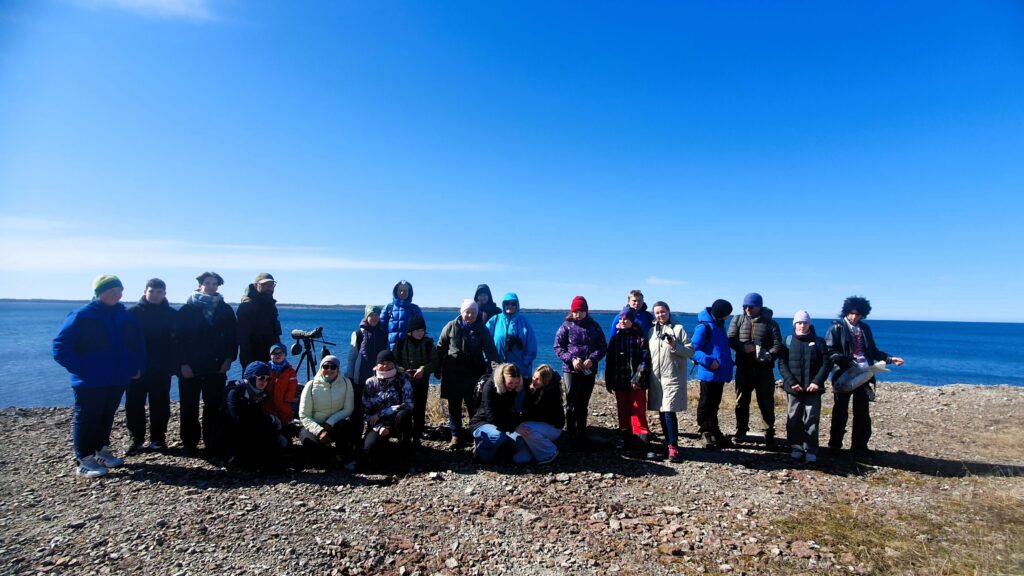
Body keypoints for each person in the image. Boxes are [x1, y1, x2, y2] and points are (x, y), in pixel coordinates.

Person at [53, 275, 146, 478]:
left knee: (106, 415)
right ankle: (84, 460)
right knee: (86, 418)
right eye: (109, 290)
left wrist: (137, 366)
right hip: (90, 381)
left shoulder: (125, 316)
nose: (114, 294)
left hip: (118, 379)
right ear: (98, 293)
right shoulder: (82, 315)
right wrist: (82, 369)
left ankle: (101, 451)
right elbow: (60, 347)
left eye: (117, 290)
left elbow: (138, 344)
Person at [826, 296, 905, 457]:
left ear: (863, 314)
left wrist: (890, 359)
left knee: (862, 411)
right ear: (846, 312)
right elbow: (830, 351)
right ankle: (835, 444)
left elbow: (873, 351)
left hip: (865, 373)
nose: (854, 317)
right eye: (852, 313)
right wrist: (847, 361)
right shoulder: (836, 328)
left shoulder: (865, 329)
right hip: (844, 374)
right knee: (840, 410)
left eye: (858, 314)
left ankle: (860, 446)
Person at [175, 271, 237, 458]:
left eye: (214, 284)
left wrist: (229, 359)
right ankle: (189, 443)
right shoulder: (187, 309)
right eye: (207, 283)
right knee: (189, 406)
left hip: (216, 367)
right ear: (200, 285)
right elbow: (178, 339)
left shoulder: (225, 310)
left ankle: (212, 442)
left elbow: (232, 338)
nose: (211, 286)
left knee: (213, 406)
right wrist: (182, 363)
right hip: (190, 367)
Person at [437, 299, 501, 449]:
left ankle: (475, 435)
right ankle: (456, 436)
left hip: (474, 373)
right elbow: (440, 348)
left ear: (477, 313)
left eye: (473, 312)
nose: (470, 315)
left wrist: (497, 369)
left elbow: (491, 352)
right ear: (462, 312)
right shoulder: (450, 326)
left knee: (474, 406)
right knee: (454, 406)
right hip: (453, 373)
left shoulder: (482, 329)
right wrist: (437, 369)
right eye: (467, 312)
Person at [125, 278, 177, 454]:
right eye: (151, 291)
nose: (155, 295)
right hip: (137, 369)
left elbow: (177, 342)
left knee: (160, 404)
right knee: (134, 404)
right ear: (145, 292)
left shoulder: (171, 314)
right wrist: (130, 365)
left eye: (159, 292)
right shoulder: (132, 313)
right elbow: (125, 343)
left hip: (161, 368)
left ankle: (158, 438)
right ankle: (136, 438)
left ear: (164, 294)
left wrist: (173, 365)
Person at [727, 292, 783, 445]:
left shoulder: (771, 323)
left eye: (751, 307)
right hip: (743, 368)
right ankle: (741, 430)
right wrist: (742, 347)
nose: (747, 309)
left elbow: (778, 345)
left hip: (764, 369)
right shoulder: (737, 319)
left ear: (759, 307)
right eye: (745, 306)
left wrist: (768, 355)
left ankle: (769, 432)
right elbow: (730, 339)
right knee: (741, 401)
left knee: (766, 402)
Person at [553, 296, 608, 448]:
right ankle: (570, 434)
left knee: (583, 403)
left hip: (589, 370)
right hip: (571, 370)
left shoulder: (594, 326)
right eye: (575, 311)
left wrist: (592, 359)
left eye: (581, 311)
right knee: (571, 402)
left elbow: (602, 346)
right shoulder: (566, 326)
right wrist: (572, 359)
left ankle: (582, 434)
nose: (577, 314)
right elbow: (558, 347)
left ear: (586, 311)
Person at [778, 311, 832, 464]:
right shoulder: (787, 341)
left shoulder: (819, 342)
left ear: (809, 324)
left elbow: (826, 364)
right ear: (795, 324)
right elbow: (782, 363)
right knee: (793, 419)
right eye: (799, 323)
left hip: (813, 389)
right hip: (794, 389)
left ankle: (811, 449)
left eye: (805, 323)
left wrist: (816, 382)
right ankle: (796, 448)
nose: (802, 326)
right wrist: (791, 382)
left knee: (812, 419)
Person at [647, 301, 694, 463]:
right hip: (656, 378)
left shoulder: (678, 329)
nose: (660, 315)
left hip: (673, 377)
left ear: (668, 312)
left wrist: (675, 345)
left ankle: (673, 446)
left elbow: (690, 351)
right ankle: (668, 443)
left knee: (668, 411)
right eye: (657, 312)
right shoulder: (651, 331)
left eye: (663, 311)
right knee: (661, 410)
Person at [605, 307, 652, 456]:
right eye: (621, 319)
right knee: (623, 411)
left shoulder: (640, 337)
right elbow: (610, 361)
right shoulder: (615, 339)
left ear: (632, 320)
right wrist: (608, 380)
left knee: (638, 411)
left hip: (637, 382)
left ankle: (641, 443)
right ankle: (627, 441)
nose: (623, 321)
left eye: (626, 319)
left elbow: (645, 360)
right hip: (620, 381)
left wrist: (637, 377)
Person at [222, 362, 286, 471]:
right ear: (251, 378)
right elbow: (240, 421)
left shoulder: (259, 394)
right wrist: (270, 419)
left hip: (248, 430)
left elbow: (257, 418)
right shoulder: (235, 393)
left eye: (268, 379)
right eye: (261, 378)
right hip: (231, 437)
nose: (264, 382)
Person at [298, 355, 357, 469]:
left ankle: (342, 455)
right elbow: (304, 415)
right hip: (315, 425)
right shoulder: (311, 385)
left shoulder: (346, 383)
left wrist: (330, 422)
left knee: (348, 430)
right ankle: (327, 456)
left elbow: (348, 409)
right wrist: (319, 431)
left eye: (333, 367)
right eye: (325, 366)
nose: (329, 370)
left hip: (335, 424)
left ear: (338, 369)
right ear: (321, 368)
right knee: (312, 447)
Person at [693, 299, 735, 450]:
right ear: (719, 313)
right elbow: (693, 350)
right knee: (706, 403)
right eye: (726, 314)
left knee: (714, 404)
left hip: (720, 373)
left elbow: (721, 349)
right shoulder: (704, 327)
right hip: (709, 373)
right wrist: (709, 361)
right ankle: (705, 432)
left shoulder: (720, 325)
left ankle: (714, 431)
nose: (727, 317)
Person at [469, 363, 532, 465]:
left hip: (504, 423)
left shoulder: (517, 382)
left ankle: (499, 453)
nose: (513, 386)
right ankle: (480, 455)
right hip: (483, 422)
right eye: (510, 383)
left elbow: (534, 379)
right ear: (502, 378)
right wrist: (514, 427)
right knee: (497, 436)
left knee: (521, 446)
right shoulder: (490, 386)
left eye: (516, 383)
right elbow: (491, 417)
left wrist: (551, 376)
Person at [361, 350, 415, 468]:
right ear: (376, 365)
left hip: (397, 422)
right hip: (378, 424)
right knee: (369, 448)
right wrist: (379, 427)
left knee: (404, 415)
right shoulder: (370, 383)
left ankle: (405, 451)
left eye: (389, 363)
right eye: (382, 363)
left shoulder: (403, 379)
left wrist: (381, 413)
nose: (385, 366)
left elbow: (409, 404)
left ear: (394, 364)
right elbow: (365, 411)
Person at [394, 315, 438, 444]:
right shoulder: (401, 343)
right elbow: (394, 362)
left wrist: (423, 370)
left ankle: (417, 438)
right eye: (417, 330)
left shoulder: (428, 344)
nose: (420, 333)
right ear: (410, 331)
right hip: (404, 383)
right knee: (405, 409)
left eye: (422, 330)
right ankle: (405, 437)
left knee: (419, 409)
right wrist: (403, 371)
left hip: (421, 383)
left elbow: (435, 362)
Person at [346, 304, 389, 420]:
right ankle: (356, 431)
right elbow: (352, 357)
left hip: (378, 378)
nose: (374, 318)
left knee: (375, 407)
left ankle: (372, 429)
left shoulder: (384, 334)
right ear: (366, 316)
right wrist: (350, 376)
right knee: (358, 408)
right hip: (360, 377)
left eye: (377, 315)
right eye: (371, 315)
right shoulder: (358, 334)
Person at [515, 364, 565, 465]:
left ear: (545, 381)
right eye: (534, 377)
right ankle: (537, 447)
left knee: (525, 428)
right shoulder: (534, 383)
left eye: (538, 379)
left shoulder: (551, 393)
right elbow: (521, 379)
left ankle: (549, 452)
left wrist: (517, 422)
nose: (534, 380)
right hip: (538, 424)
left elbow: (536, 414)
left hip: (552, 427)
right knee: (519, 459)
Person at [485, 292, 538, 379]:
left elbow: (531, 348)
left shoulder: (524, 322)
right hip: (498, 369)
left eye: (513, 303)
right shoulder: (495, 320)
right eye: (507, 303)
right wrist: (488, 360)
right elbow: (485, 341)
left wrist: (524, 363)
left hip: (519, 371)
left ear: (517, 305)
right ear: (503, 305)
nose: (510, 306)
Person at [236, 272, 281, 370]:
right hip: (252, 358)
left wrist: (278, 352)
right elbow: (243, 337)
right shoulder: (247, 306)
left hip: (270, 356)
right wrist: (247, 361)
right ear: (256, 285)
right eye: (265, 284)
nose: (269, 288)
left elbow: (275, 331)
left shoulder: (270, 305)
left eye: (271, 285)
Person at [266, 343, 299, 438]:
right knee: (271, 421)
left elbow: (292, 386)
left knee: (285, 421)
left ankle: (287, 437)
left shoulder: (290, 370)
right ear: (270, 355)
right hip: (269, 401)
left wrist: (288, 399)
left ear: (285, 355)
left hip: (284, 401)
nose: (277, 355)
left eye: (280, 353)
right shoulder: (267, 368)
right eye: (274, 353)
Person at [379, 280, 424, 350]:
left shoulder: (415, 309)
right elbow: (380, 329)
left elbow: (421, 330)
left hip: (409, 351)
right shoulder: (388, 308)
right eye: (400, 290)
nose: (402, 293)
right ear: (395, 291)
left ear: (409, 293)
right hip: (391, 351)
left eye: (405, 291)